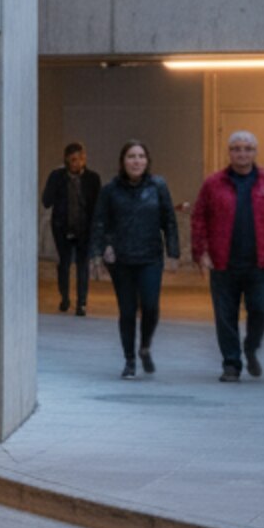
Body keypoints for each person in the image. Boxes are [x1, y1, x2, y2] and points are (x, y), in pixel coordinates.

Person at [190, 130, 264, 382]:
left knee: (262, 309)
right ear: (229, 153)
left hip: (259, 262)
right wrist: (200, 252)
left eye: (247, 149)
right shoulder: (213, 183)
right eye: (237, 148)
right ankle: (231, 364)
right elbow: (199, 219)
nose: (242, 153)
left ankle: (250, 346)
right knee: (225, 317)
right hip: (223, 261)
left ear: (255, 152)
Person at [89, 140, 180, 379]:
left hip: (150, 256)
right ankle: (129, 360)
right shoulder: (110, 190)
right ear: (123, 161)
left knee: (150, 306)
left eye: (141, 156)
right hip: (122, 259)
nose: (136, 161)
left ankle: (145, 346)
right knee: (127, 311)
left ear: (147, 161)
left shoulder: (158, 186)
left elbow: (169, 220)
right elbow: (100, 221)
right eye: (131, 156)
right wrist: (100, 251)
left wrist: (173, 253)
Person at [41, 142, 100, 316]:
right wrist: (56, 182)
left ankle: (82, 303)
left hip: (84, 227)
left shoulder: (92, 178)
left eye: (82, 158)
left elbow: (97, 205)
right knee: (64, 263)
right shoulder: (58, 176)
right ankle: (65, 298)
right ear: (67, 160)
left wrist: (97, 229)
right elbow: (46, 201)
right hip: (62, 226)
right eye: (74, 159)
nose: (78, 163)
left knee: (83, 265)